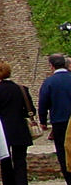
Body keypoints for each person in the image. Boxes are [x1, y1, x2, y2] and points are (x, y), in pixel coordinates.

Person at [0, 61, 34, 185]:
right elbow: (31, 110)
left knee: (5, 161)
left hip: (2, 130)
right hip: (20, 129)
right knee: (20, 161)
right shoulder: (22, 89)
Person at [39, 53, 71, 185]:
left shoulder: (49, 82)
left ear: (51, 66)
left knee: (63, 152)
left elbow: (43, 103)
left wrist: (42, 121)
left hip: (60, 122)